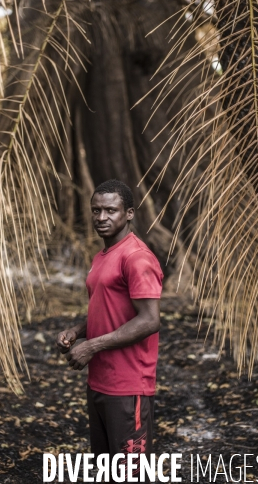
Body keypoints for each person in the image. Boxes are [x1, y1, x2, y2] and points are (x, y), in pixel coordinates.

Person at [57, 179, 163, 481]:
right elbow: (110, 310)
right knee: (106, 472)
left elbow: (149, 320)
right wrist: (78, 331)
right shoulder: (102, 256)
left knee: (131, 474)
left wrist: (91, 347)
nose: (101, 217)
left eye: (111, 210)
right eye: (96, 210)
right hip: (100, 382)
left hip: (129, 386)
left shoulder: (137, 257)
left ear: (129, 213)